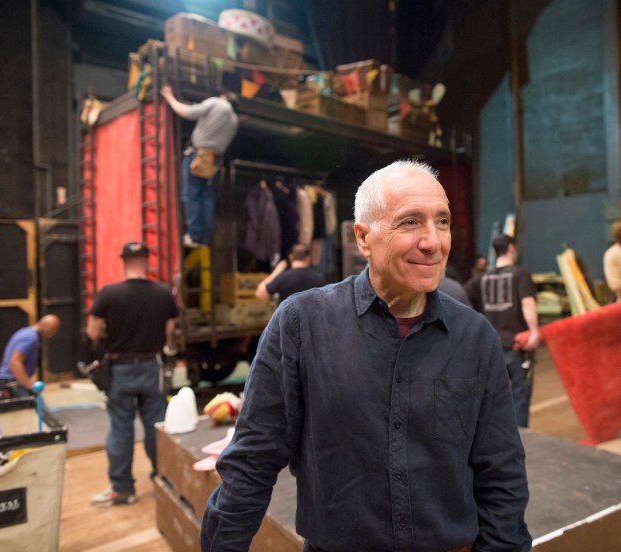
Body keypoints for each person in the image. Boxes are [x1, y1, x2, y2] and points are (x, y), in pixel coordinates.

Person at [200, 160, 531, 551]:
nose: (433, 241)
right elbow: (252, 460)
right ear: (363, 238)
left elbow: (501, 474)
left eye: (441, 222)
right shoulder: (302, 324)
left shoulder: (475, 337)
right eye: (410, 222)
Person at [87, 242, 179, 508]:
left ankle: (122, 489)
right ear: (148, 261)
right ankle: (164, 478)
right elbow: (169, 330)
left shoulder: (109, 293)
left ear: (124, 261)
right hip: (153, 365)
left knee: (120, 428)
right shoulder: (164, 294)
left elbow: (93, 332)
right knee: (157, 426)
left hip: (119, 369)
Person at [465, 234, 540, 428]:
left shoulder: (480, 279)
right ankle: (520, 443)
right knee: (519, 400)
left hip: (489, 350)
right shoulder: (520, 274)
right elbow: (527, 302)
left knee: (492, 403)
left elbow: (461, 302)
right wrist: (534, 331)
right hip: (515, 347)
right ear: (511, 249)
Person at [160, 85, 239, 248]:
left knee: (191, 195)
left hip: (198, 156)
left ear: (224, 97)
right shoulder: (234, 120)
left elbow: (188, 112)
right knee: (206, 197)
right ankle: (204, 238)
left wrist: (170, 99)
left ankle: (194, 236)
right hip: (214, 160)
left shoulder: (217, 103)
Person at [0, 315, 61, 400]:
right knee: (35, 409)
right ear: (44, 325)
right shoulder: (30, 338)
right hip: (11, 384)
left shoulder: (25, 332)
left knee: (39, 407)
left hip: (7, 382)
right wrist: (30, 385)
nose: (51, 336)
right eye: (51, 331)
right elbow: (14, 363)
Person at [253, 243, 326, 301]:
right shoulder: (319, 278)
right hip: (312, 319)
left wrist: (276, 272)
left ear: (291, 257)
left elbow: (260, 294)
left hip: (288, 318)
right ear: (308, 258)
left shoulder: (284, 277)